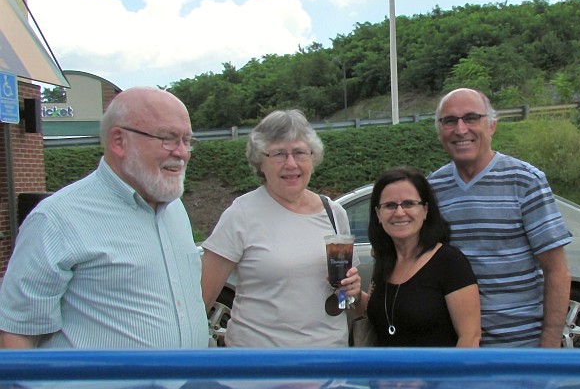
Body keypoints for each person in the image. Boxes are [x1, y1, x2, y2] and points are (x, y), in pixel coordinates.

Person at [0, 87, 209, 349]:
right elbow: (17, 336)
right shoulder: (56, 219)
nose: (182, 152)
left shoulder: (175, 209)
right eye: (168, 138)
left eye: (187, 140)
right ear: (118, 141)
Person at [201, 109, 361, 347]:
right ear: (260, 162)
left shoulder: (333, 212)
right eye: (278, 154)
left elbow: (341, 300)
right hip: (263, 368)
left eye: (299, 152)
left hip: (327, 363)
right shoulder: (242, 214)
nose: (291, 163)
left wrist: (350, 291)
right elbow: (201, 299)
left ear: (313, 158)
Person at [427, 88, 572, 347]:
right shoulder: (433, 188)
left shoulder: (526, 181)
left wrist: (549, 345)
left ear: (492, 125)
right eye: (449, 121)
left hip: (520, 349)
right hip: (458, 348)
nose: (460, 129)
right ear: (440, 131)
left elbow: (556, 269)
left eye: (471, 118)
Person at [354, 166, 480, 347]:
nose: (399, 212)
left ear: (426, 210)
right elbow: (381, 312)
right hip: (385, 373)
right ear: (378, 214)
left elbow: (470, 338)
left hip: (435, 374)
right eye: (390, 205)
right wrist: (355, 295)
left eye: (409, 204)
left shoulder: (449, 262)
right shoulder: (385, 260)